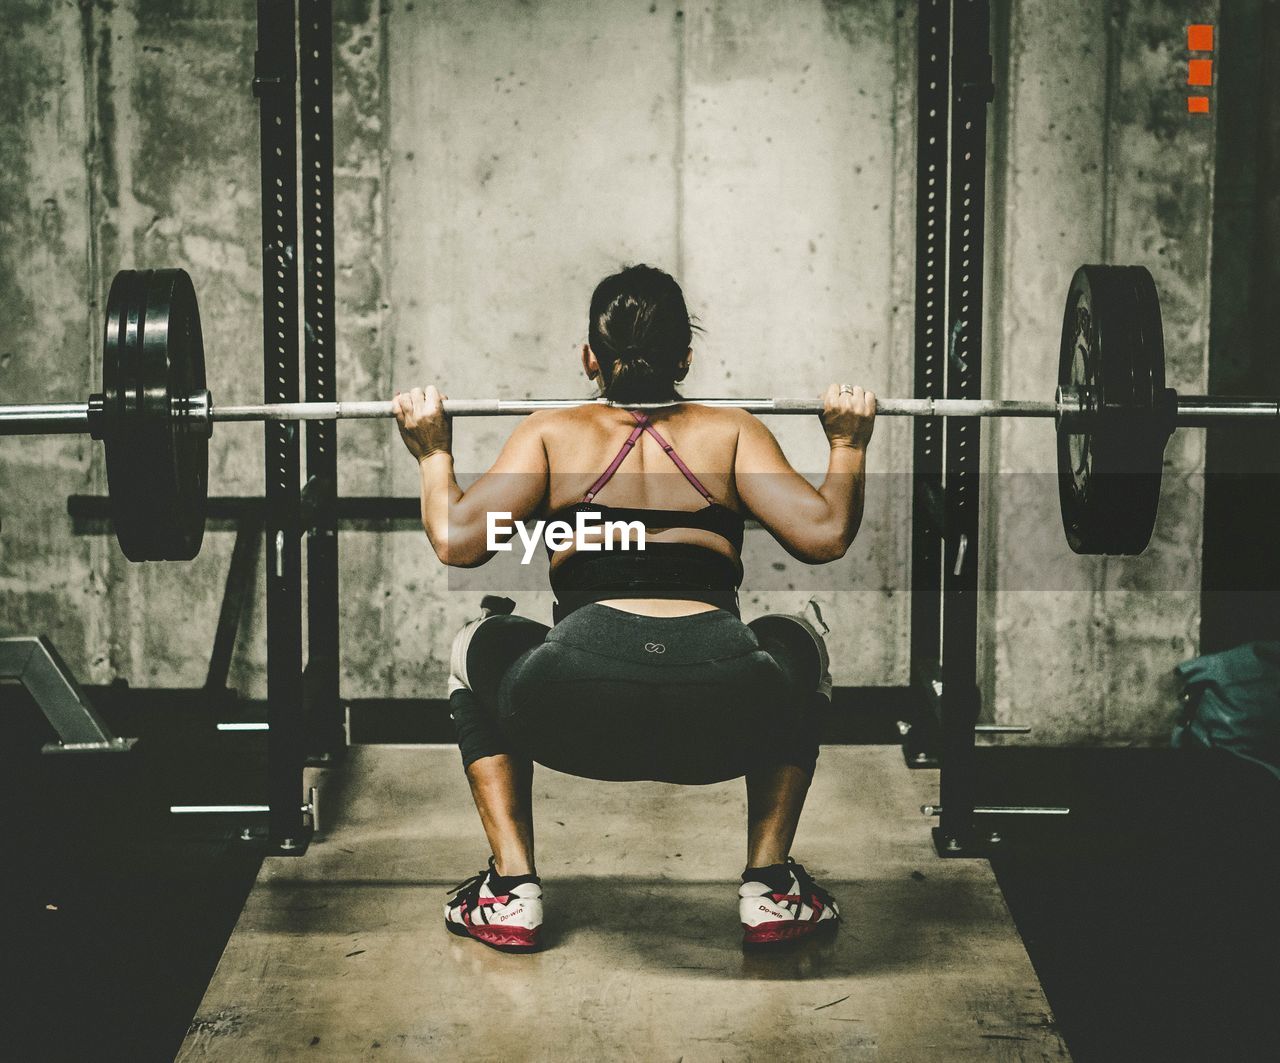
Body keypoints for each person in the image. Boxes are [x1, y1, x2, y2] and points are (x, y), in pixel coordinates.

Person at [392, 264, 875, 953]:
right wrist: (848, 442)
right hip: (724, 705)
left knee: (479, 640)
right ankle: (771, 887)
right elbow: (825, 534)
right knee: (798, 639)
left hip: (574, 704)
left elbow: (457, 540)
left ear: (590, 356)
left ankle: (511, 890)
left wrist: (433, 452)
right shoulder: (732, 431)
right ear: (685, 356)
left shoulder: (551, 434)